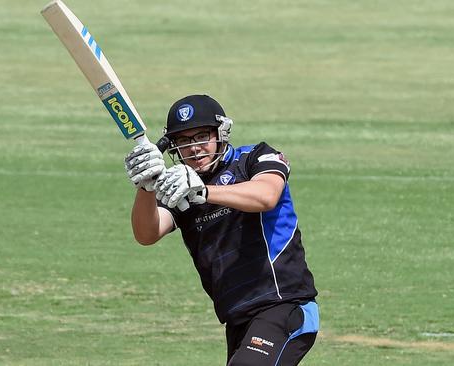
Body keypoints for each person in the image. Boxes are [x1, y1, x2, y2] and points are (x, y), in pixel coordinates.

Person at [124, 94, 319, 365]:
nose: (194, 148)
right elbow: (146, 233)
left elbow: (266, 195)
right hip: (238, 318)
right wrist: (145, 187)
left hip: (284, 306)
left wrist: (204, 191)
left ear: (220, 133)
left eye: (202, 136)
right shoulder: (180, 185)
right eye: (183, 141)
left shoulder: (254, 157)